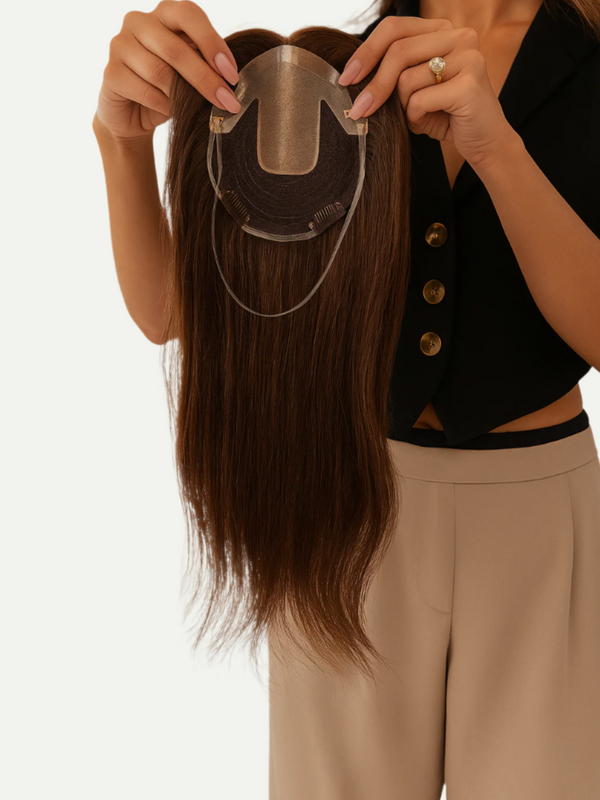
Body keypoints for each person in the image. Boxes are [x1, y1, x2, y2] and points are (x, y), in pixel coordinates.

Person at [92, 1, 600, 797]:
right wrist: (122, 144)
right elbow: (175, 312)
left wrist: (498, 151)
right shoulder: (335, 78)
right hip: (346, 498)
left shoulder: (588, 64)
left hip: (541, 522)